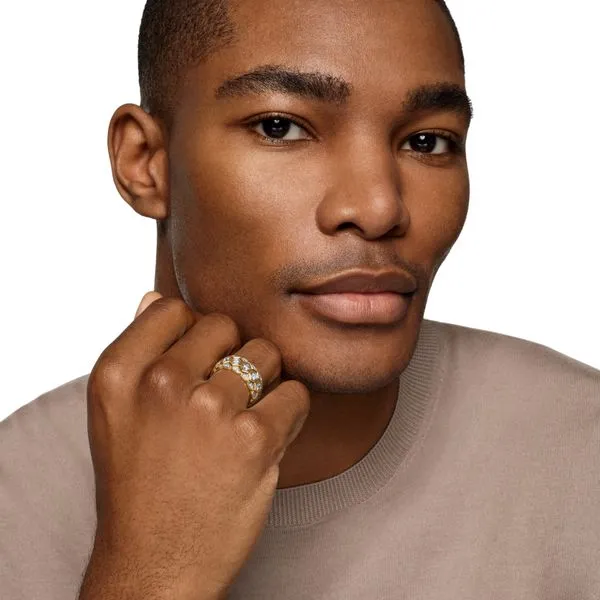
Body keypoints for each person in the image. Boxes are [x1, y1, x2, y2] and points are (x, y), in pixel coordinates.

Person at [1, 0, 599, 598]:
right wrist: (150, 571)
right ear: (146, 163)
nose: (379, 208)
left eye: (427, 141)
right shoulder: (16, 497)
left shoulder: (580, 447)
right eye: (280, 128)